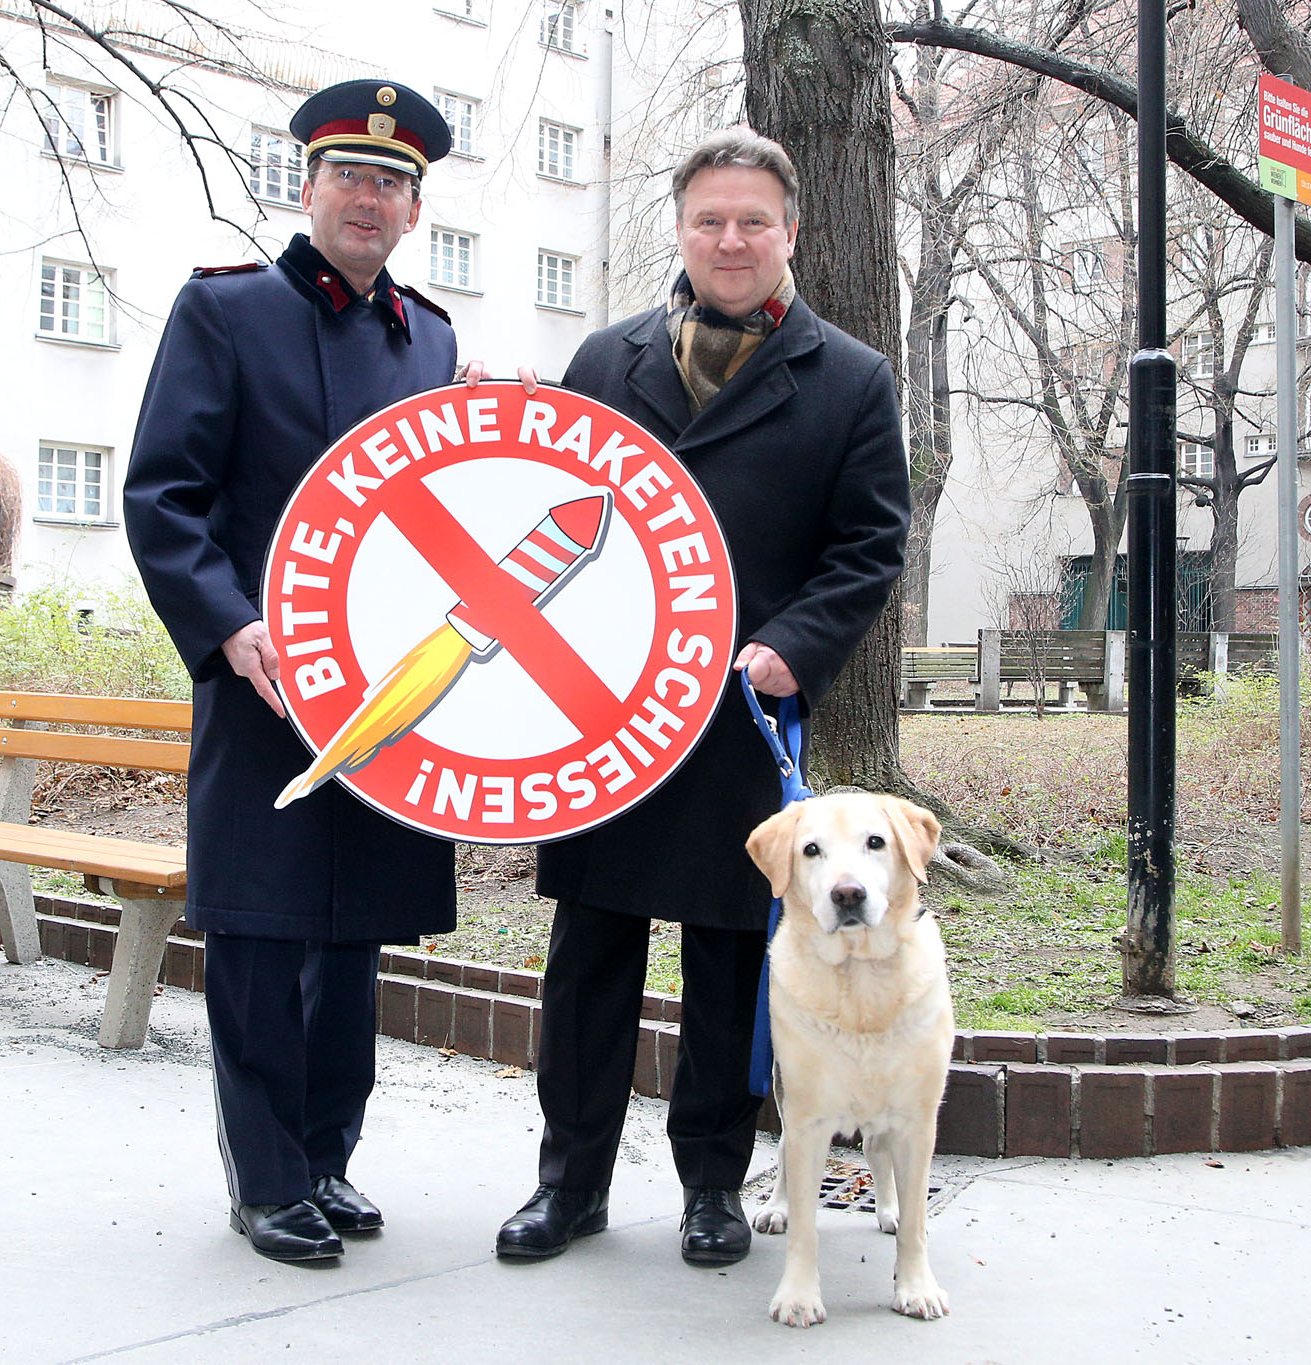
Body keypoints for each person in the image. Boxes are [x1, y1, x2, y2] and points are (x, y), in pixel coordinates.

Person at [494, 128, 911, 1267]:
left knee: (731, 960)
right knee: (591, 956)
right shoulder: (605, 358)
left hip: (741, 715)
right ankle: (566, 1184)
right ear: (680, 229)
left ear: (790, 233)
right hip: (608, 712)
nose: (730, 240)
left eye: (753, 221)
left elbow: (869, 546)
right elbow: (548, 512)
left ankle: (711, 1189)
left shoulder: (853, 379)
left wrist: (793, 647)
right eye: (709, 220)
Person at [124, 79, 462, 1267]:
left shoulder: (431, 337)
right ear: (308, 187)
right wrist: (225, 628)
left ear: (414, 211)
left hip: (388, 691)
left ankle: (325, 1157)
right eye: (349, 176)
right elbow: (164, 495)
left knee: (354, 938)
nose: (369, 199)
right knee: (261, 940)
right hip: (262, 683)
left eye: (392, 184)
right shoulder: (225, 313)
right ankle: (265, 1182)